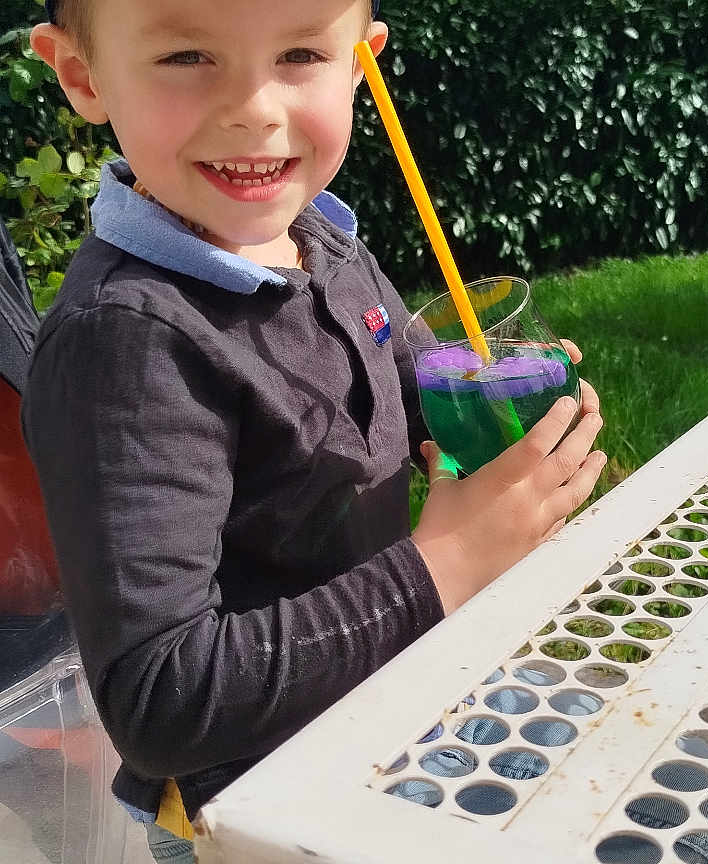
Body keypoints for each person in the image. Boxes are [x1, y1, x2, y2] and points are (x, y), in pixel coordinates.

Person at [23, 0, 606, 860]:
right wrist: (446, 562)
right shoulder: (128, 342)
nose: (255, 107)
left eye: (299, 52)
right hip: (268, 806)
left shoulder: (323, 243)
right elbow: (160, 701)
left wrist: (485, 410)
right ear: (82, 74)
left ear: (360, 64)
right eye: (187, 55)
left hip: (397, 703)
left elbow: (408, 402)